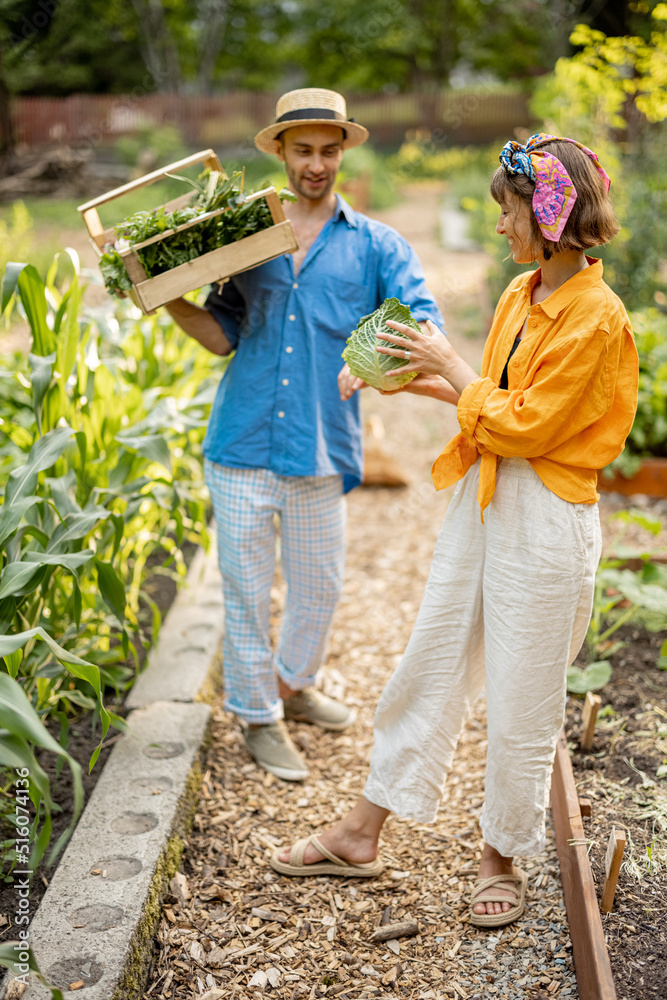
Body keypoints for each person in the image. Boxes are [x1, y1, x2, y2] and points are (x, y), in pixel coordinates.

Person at [271, 133, 639, 927]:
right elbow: (493, 407)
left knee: (522, 697)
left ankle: (498, 853)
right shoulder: (521, 295)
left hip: (545, 519)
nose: (498, 224)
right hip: (487, 494)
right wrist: (413, 380)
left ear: (548, 218)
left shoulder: (597, 318)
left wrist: (449, 359)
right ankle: (364, 828)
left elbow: (529, 424)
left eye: (507, 211)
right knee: (429, 657)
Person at [165, 88, 444, 782]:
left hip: (321, 445)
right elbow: (220, 334)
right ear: (281, 154)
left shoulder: (375, 244)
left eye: (327, 151)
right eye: (302, 151)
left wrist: (368, 361)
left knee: (319, 586)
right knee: (246, 589)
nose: (315, 165)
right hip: (241, 442)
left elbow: (419, 317)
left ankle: (294, 684)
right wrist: (166, 295)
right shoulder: (246, 237)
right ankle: (257, 715)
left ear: (341, 152)